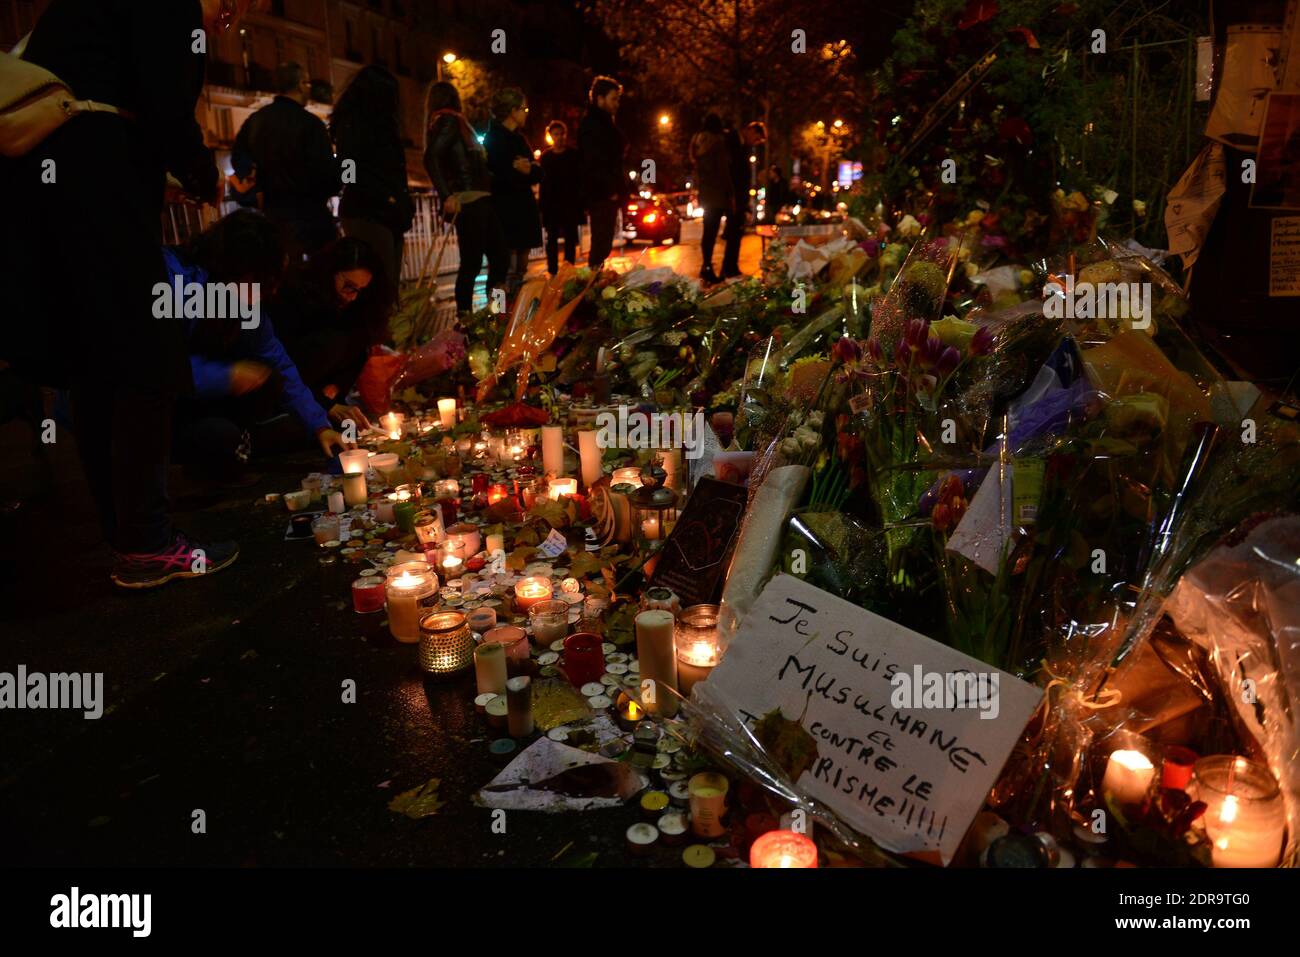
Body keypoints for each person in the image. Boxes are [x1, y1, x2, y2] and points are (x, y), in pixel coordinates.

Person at [1, 0, 255, 589]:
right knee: (146, 352)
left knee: (98, 361)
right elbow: (164, 102)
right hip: (94, 183)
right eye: (242, 3)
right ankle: (147, 539)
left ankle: (128, 535)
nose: (236, 19)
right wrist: (200, 174)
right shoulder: (170, 6)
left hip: (56, 188)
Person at [172, 211, 349, 483]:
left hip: (218, 405)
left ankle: (239, 445)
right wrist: (225, 377)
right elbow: (157, 366)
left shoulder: (245, 299)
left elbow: (276, 358)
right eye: (265, 281)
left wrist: (319, 426)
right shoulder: (177, 283)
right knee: (220, 439)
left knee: (275, 389)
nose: (272, 292)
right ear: (239, 267)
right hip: (169, 408)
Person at [271, 237, 391, 417]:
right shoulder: (297, 295)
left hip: (327, 396)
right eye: (349, 286)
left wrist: (337, 387)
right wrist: (322, 402)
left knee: (350, 429)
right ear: (332, 270)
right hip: (291, 394)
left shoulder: (356, 308)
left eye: (360, 290)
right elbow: (287, 359)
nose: (353, 297)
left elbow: (357, 353)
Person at [233, 61, 340, 261]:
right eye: (307, 83)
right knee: (320, 275)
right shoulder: (311, 124)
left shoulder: (255, 122)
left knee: (283, 275)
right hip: (311, 217)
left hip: (273, 216)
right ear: (300, 84)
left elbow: (240, 162)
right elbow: (327, 174)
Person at [423, 81, 509, 314]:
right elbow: (431, 158)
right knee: (478, 262)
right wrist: (446, 195)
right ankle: (471, 318)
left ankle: (492, 313)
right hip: (470, 200)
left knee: (494, 258)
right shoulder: (449, 121)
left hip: (478, 199)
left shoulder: (451, 123)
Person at [331, 65, 414, 301]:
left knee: (386, 284)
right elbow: (349, 172)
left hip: (384, 212)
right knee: (379, 285)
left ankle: (381, 333)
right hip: (369, 211)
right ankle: (375, 335)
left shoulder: (377, 127)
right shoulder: (356, 126)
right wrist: (387, 196)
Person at [484, 87, 543, 293]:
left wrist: (526, 169)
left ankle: (516, 313)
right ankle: (499, 316)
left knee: (520, 270)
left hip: (523, 211)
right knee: (503, 270)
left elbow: (537, 172)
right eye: (523, 109)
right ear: (511, 111)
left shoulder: (520, 139)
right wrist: (520, 169)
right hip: (504, 212)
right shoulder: (493, 140)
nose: (526, 114)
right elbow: (500, 175)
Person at [577, 76, 627, 271]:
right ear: (599, 99)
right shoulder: (593, 125)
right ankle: (591, 287)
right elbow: (593, 161)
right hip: (601, 193)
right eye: (613, 99)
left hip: (606, 192)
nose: (617, 104)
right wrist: (609, 189)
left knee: (604, 243)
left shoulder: (604, 123)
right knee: (600, 244)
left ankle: (594, 283)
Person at [689, 114, 733, 285]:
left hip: (705, 193)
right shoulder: (717, 142)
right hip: (718, 194)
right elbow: (723, 171)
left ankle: (706, 266)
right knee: (715, 232)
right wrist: (730, 193)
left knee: (708, 232)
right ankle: (712, 268)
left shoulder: (698, 142)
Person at [720, 121, 767, 279]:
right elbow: (734, 172)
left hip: (739, 197)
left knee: (736, 233)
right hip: (734, 196)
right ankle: (728, 268)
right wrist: (734, 197)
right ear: (751, 130)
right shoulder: (733, 142)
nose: (755, 143)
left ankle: (731, 267)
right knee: (733, 232)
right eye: (756, 138)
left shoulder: (741, 145)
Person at [538, 120, 583, 276]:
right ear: (551, 136)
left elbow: (578, 180)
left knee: (570, 238)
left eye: (561, 134)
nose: (559, 137)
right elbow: (543, 183)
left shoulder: (573, 155)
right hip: (552, 204)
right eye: (556, 134)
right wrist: (543, 206)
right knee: (552, 239)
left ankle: (568, 269)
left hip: (569, 203)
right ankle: (553, 271)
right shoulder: (546, 157)